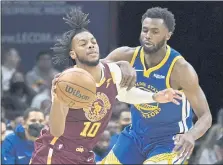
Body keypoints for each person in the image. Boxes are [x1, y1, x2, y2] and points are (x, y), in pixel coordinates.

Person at [30, 7, 182, 165]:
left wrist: (154, 97)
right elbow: (56, 131)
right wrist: (58, 100)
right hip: (56, 153)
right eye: (83, 44)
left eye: (93, 42)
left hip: (85, 155)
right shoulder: (68, 83)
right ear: (73, 54)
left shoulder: (112, 71)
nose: (91, 46)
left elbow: (124, 94)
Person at [103, 7, 212, 164]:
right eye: (145, 30)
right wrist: (119, 65)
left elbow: (206, 116)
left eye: (155, 32)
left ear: (168, 35)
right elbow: (91, 69)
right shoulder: (126, 55)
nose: (148, 36)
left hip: (170, 141)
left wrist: (191, 135)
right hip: (135, 136)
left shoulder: (180, 69)